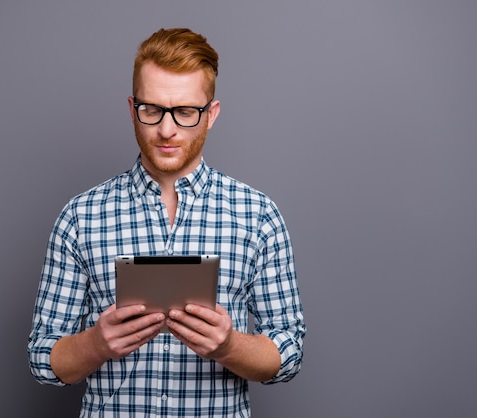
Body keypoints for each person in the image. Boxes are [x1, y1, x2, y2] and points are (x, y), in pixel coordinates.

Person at [28, 27, 305, 417]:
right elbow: (43, 358)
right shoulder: (81, 216)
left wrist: (229, 346)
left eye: (186, 112)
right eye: (152, 109)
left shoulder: (257, 215)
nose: (167, 129)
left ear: (211, 115)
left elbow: (288, 352)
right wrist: (96, 344)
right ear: (132, 108)